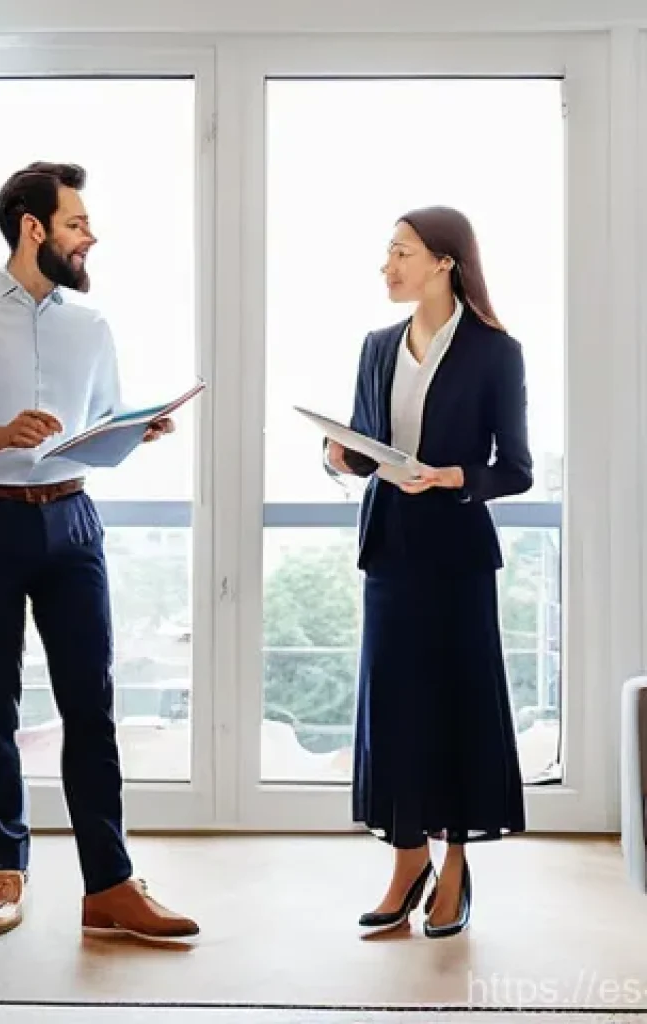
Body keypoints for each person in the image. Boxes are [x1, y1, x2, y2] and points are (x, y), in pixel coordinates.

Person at [0, 161, 199, 942]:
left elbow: (92, 438)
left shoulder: (91, 327)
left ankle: (110, 885)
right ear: (34, 227)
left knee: (90, 708)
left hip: (73, 524)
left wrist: (132, 433)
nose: (90, 237)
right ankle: (7, 870)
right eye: (76, 223)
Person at [325, 206, 532, 939]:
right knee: (394, 710)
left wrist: (455, 477)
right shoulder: (378, 345)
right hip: (388, 551)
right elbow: (360, 441)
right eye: (388, 254)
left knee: (455, 706)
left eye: (402, 253)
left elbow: (517, 470)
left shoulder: (494, 352)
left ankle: (455, 863)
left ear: (444, 261)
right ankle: (405, 858)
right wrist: (338, 457)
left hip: (457, 556)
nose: (389, 268)